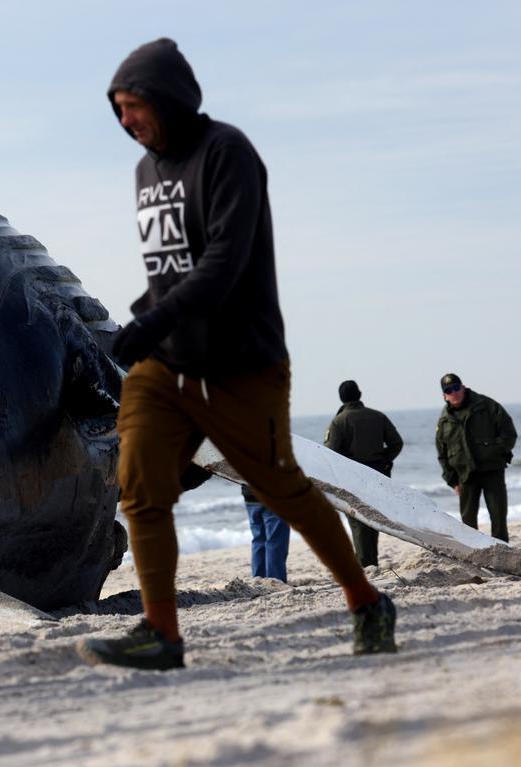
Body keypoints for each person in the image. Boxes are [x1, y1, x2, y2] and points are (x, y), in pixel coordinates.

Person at [78, 38, 396, 671]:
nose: (126, 122)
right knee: (139, 484)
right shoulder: (146, 174)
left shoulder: (227, 153)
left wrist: (155, 318)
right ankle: (162, 634)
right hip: (167, 363)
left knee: (281, 487)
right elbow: (172, 273)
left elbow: (223, 264)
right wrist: (142, 317)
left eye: (134, 106)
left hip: (240, 361)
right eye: (116, 111)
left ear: (167, 97)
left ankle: (366, 601)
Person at [324, 380, 403, 567]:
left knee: (357, 521)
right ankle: (371, 562)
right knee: (373, 520)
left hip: (351, 478)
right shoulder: (378, 417)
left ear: (341, 398)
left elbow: (329, 454)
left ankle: (365, 564)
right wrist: (385, 460)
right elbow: (396, 443)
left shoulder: (339, 421)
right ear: (359, 394)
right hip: (377, 476)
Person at [434, 374, 517, 542]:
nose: (454, 393)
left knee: (498, 516)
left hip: (492, 470)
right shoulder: (444, 420)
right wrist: (452, 480)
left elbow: (509, 433)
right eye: (449, 391)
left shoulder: (487, 406)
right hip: (465, 475)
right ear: (444, 396)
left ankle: (502, 550)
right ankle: (475, 552)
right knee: (468, 521)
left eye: (456, 388)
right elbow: (442, 453)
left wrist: (494, 452)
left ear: (463, 387)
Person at [241, 484, 290, 582]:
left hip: (250, 495)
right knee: (275, 540)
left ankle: (258, 579)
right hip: (274, 494)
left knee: (258, 539)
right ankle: (275, 580)